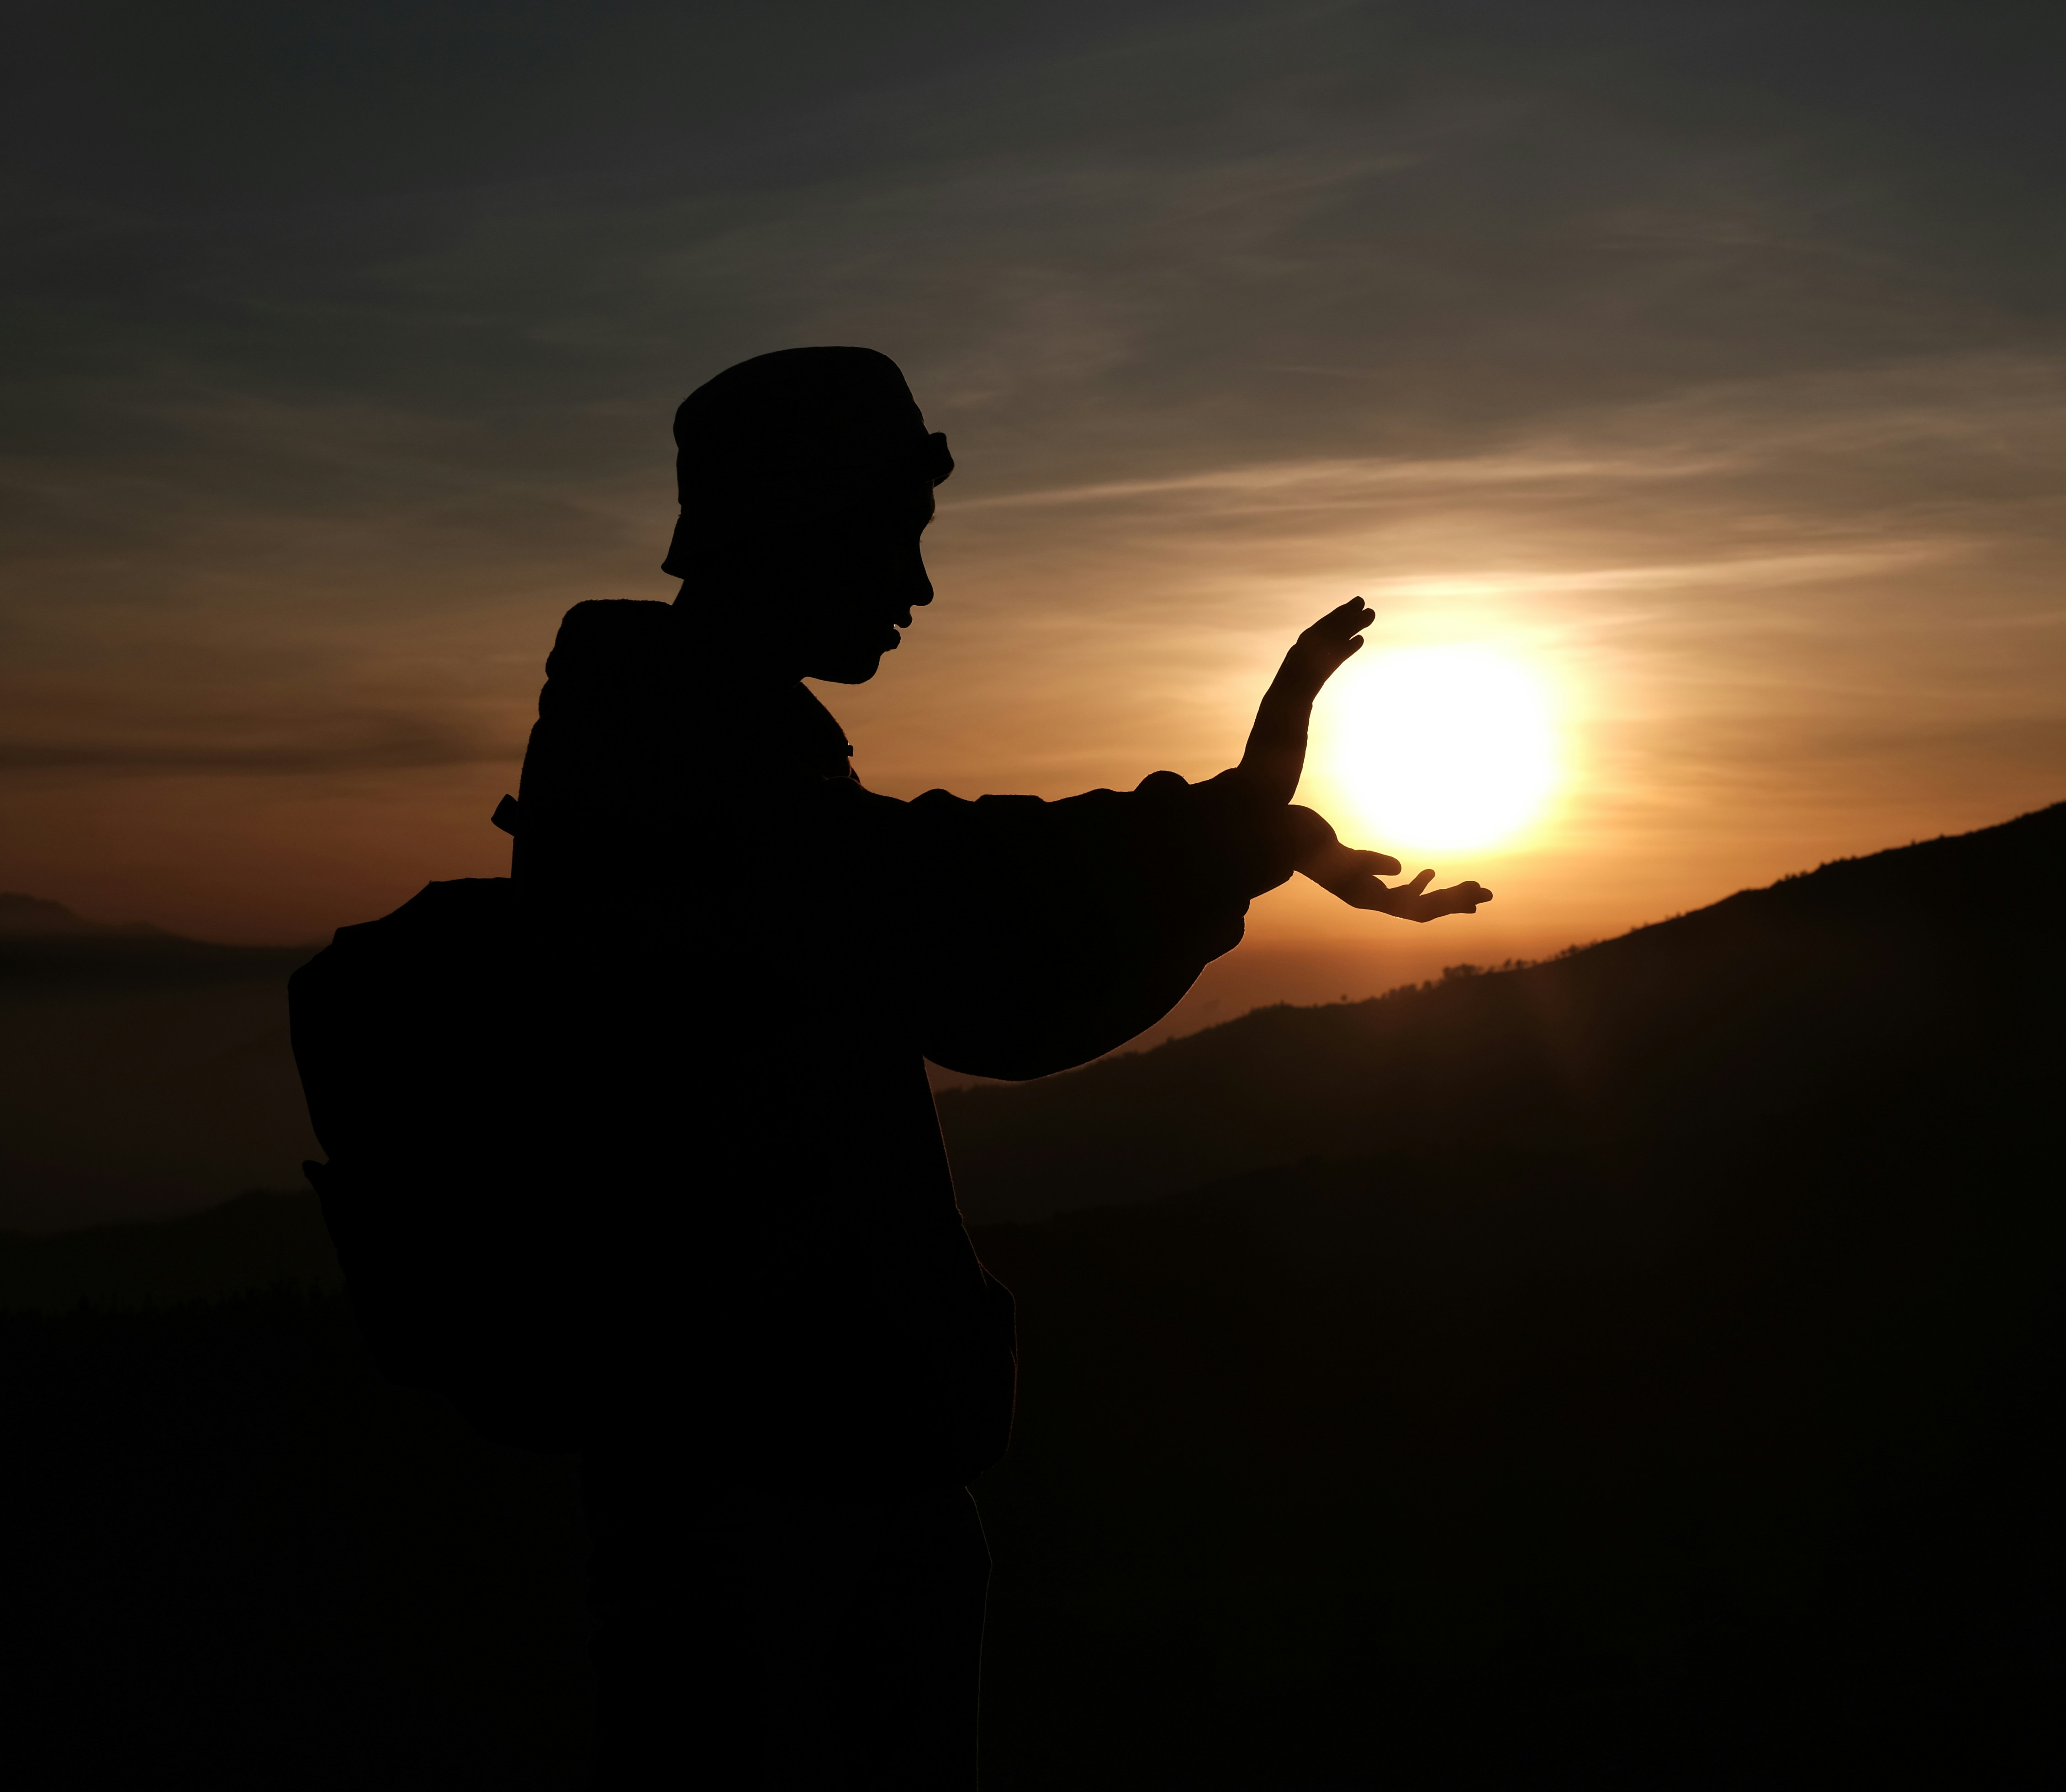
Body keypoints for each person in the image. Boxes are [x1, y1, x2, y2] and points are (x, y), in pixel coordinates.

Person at [501, 346, 1490, 1787]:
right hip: (781, 1483)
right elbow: (969, 951)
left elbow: (945, 876)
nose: (917, 586)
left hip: (759, 1466)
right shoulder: (695, 781)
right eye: (895, 531)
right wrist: (1242, 823)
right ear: (796, 518)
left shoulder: (676, 749)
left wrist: (1243, 827)